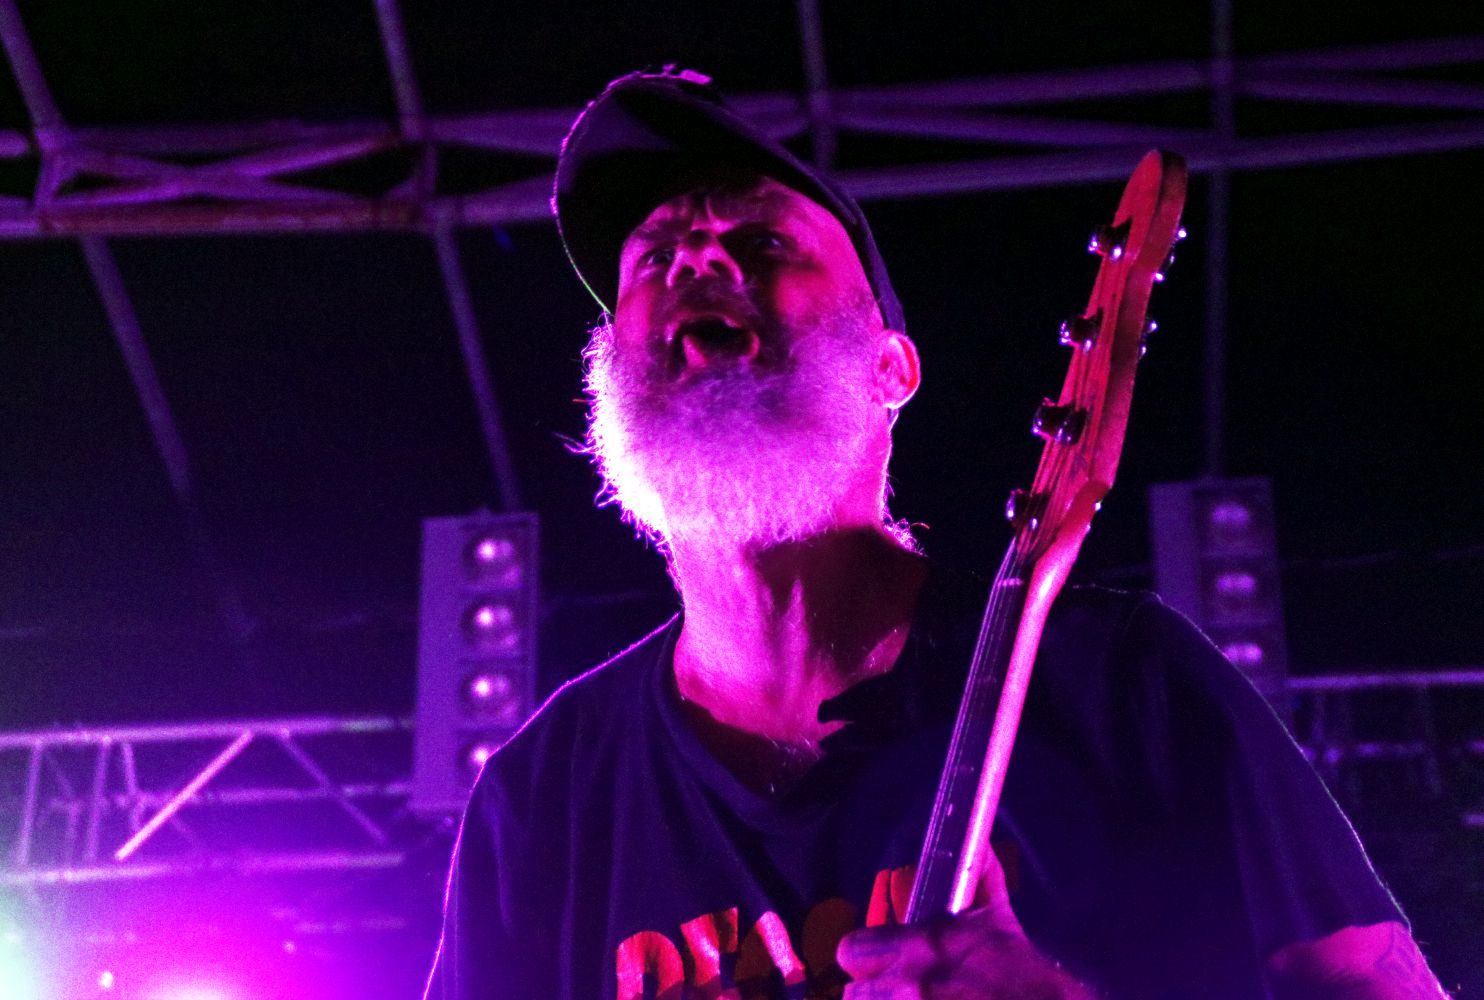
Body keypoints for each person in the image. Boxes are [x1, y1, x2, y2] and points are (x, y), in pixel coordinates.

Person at [425, 68, 1447, 999]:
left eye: (764, 241)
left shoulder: (1120, 683)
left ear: (890, 369)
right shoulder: (542, 797)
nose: (696, 255)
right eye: (653, 257)